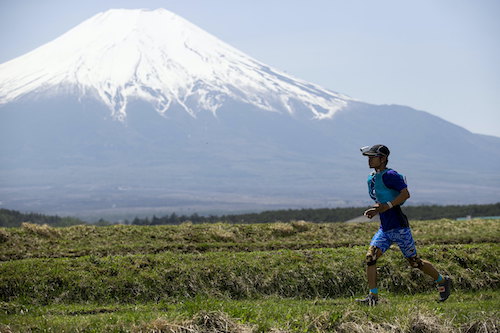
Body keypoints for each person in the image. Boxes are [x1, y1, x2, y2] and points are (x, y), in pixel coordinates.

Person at [356, 144, 451, 306]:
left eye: (373, 157)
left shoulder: (391, 175)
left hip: (399, 228)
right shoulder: (372, 178)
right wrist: (375, 211)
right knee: (370, 258)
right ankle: (373, 297)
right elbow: (383, 203)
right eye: (368, 157)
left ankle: (442, 281)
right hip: (384, 229)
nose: (370, 160)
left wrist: (388, 206)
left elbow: (405, 194)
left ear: (383, 158)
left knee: (415, 263)